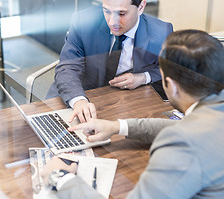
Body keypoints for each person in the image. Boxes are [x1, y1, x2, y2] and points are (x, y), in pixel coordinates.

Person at [42, 30, 224, 198]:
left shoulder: (184, 144)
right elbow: (181, 127)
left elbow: (183, 135)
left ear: (173, 86)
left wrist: (61, 179)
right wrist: (115, 126)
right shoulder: (208, 118)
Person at [47, 0, 173, 122]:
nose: (112, 22)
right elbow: (67, 67)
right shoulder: (83, 22)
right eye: (106, 11)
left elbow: (170, 69)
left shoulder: (160, 32)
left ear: (141, 7)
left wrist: (143, 77)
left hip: (124, 104)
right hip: (79, 96)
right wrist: (79, 100)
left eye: (121, 13)